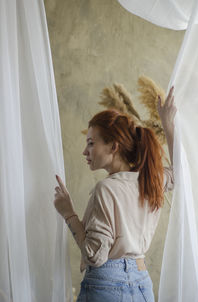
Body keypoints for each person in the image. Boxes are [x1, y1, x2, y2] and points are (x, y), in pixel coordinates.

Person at [54, 86, 177, 302]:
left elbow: (95, 255)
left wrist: (68, 213)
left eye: (91, 143)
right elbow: (179, 174)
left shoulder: (106, 189)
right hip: (142, 286)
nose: (85, 151)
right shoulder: (151, 180)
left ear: (113, 146)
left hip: (106, 286)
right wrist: (168, 123)